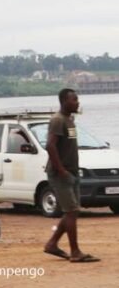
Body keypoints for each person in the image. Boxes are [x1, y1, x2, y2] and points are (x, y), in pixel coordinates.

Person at [43, 89, 99, 263]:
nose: (77, 102)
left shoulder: (69, 120)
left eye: (77, 99)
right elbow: (50, 146)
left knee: (72, 211)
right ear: (64, 101)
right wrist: (61, 170)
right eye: (74, 99)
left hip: (72, 172)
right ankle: (75, 252)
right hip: (61, 173)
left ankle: (52, 244)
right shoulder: (58, 120)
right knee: (71, 211)